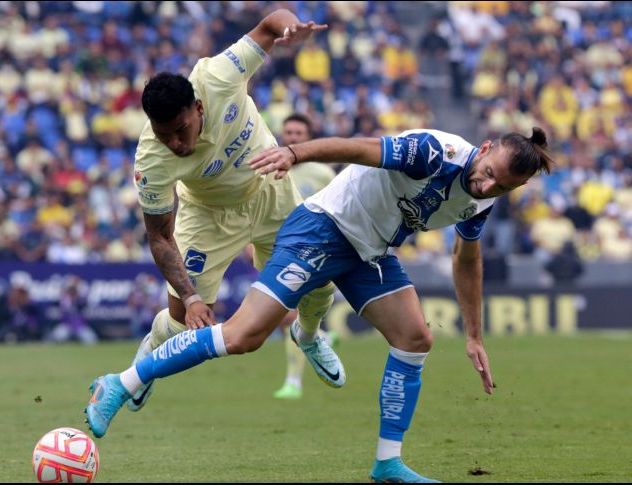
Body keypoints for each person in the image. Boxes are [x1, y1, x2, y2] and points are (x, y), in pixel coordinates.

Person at [86, 126, 554, 483]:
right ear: (484, 148)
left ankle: (388, 464)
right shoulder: (434, 152)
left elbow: (466, 258)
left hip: (370, 253)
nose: (487, 186)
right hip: (323, 228)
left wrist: (474, 335)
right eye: (488, 173)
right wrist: (295, 153)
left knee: (415, 338)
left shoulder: (482, 201)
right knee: (244, 336)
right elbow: (358, 148)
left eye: (501, 187)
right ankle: (120, 383)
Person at [123, 9, 341, 414]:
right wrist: (190, 298)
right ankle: (147, 358)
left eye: (181, 130)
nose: (175, 144)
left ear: (198, 108)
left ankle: (308, 336)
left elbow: (270, 23)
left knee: (320, 280)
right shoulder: (151, 161)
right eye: (164, 135)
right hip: (209, 214)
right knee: (180, 324)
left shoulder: (218, 76)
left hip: (270, 189)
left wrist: (290, 27)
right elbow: (159, 237)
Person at [272, 113, 338, 400]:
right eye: (289, 132)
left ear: (308, 137)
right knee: (282, 318)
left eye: (299, 133)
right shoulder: (273, 166)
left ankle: (293, 383)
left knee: (289, 317)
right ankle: (321, 337)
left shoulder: (323, 173)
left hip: (314, 252)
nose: (293, 137)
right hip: (276, 248)